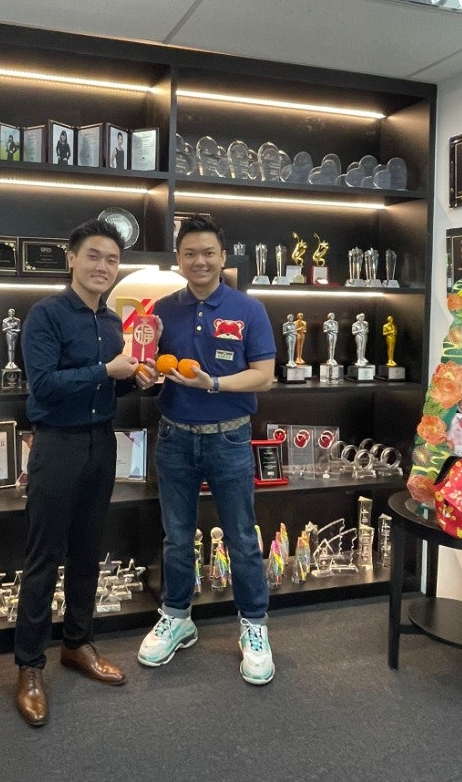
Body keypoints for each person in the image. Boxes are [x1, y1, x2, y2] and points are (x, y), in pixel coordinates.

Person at [13, 218, 157, 727]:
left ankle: (77, 643)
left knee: (88, 551)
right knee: (43, 557)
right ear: (71, 258)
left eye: (112, 260)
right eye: (94, 256)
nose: (103, 266)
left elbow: (108, 387)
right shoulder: (46, 315)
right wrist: (105, 371)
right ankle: (29, 665)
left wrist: (135, 379)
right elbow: (44, 386)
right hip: (56, 445)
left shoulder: (113, 322)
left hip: (101, 443)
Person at [138, 214, 276, 686]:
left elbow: (264, 375)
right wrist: (146, 375)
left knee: (241, 537)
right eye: (190, 253)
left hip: (230, 436)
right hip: (174, 437)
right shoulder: (161, 310)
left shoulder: (248, 309)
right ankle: (177, 617)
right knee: (177, 536)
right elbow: (149, 366)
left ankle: (254, 626)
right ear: (178, 258)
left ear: (222, 256)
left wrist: (213, 383)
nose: (200, 261)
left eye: (208, 252)